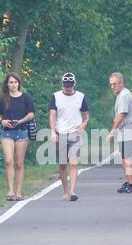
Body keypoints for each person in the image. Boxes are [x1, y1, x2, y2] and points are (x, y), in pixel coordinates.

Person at [49, 72, 89, 201]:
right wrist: (52, 132)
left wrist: (84, 124)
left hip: (75, 133)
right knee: (62, 165)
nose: (68, 87)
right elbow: (52, 116)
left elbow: (85, 115)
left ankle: (72, 191)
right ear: (62, 84)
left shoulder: (80, 97)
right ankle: (65, 191)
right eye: (66, 85)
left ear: (74, 84)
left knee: (73, 163)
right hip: (60, 133)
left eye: (70, 85)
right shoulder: (55, 97)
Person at [0, 72, 35, 201]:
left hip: (21, 131)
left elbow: (31, 114)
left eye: (15, 82)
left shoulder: (25, 97)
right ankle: (10, 191)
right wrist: (2, 121)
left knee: (19, 163)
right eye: (10, 82)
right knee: (8, 160)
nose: (13, 85)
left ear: (19, 83)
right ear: (7, 84)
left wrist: (20, 121)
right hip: (7, 132)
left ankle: (18, 192)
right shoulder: (3, 99)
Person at [107, 72, 132, 193]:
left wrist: (112, 132)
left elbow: (121, 115)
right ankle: (127, 183)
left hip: (128, 130)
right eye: (111, 84)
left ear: (122, 83)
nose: (112, 86)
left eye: (115, 84)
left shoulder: (124, 95)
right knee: (123, 157)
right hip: (125, 130)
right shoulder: (124, 94)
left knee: (127, 158)